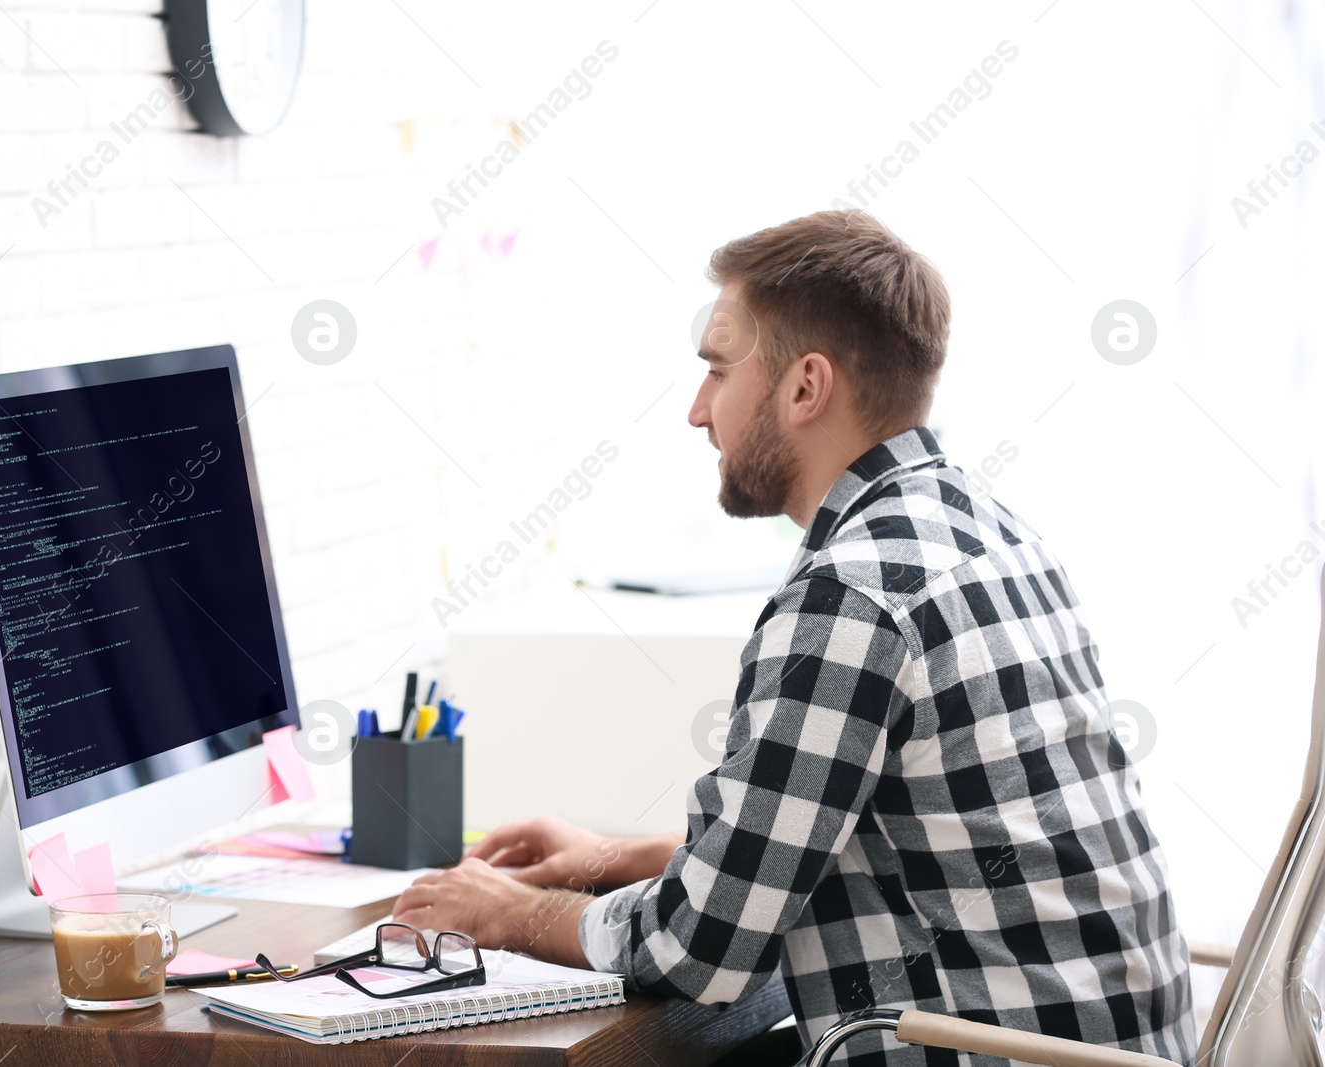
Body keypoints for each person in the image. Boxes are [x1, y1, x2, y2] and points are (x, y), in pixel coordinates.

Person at [391, 210, 1195, 1064]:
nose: (698, 411)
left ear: (806, 387)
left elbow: (703, 947)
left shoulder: (853, 595)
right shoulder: (988, 533)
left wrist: (513, 913)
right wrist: (611, 855)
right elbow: (876, 841)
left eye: (716, 370)